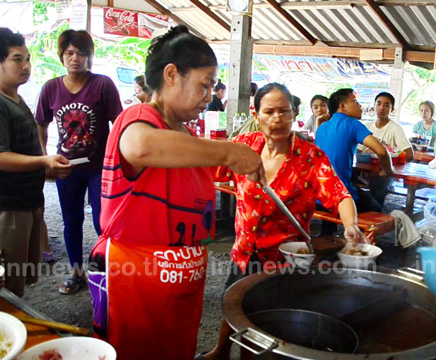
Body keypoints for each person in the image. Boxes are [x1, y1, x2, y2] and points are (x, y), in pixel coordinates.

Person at [87, 25, 264, 360]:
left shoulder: (182, 134)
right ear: (171, 74)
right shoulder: (138, 118)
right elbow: (139, 146)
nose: (210, 95)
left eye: (212, 86)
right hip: (134, 283)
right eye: (204, 84)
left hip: (179, 287)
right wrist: (227, 151)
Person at [198, 83, 365, 360]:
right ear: (256, 114)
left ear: (294, 114)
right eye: (270, 111)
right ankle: (221, 351)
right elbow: (207, 168)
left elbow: (340, 194)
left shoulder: (309, 157)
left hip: (284, 259)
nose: (277, 118)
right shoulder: (243, 148)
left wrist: (350, 224)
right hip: (245, 249)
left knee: (263, 324)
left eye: (284, 112)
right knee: (233, 301)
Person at [35, 29, 123, 295]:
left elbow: (118, 124)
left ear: (90, 56)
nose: (75, 58)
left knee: (102, 222)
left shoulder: (103, 84)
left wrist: (116, 160)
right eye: (69, 53)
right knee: (71, 221)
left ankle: (103, 271)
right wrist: (46, 158)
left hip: (99, 168)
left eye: (81, 53)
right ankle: (76, 273)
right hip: (66, 169)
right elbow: (41, 123)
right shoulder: (51, 88)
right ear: (62, 56)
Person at [0, 28, 72, 297]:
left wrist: (45, 167)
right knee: (7, 285)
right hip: (8, 208)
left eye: (28, 59)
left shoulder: (15, 99)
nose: (26, 66)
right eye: (17, 59)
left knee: (19, 280)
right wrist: (44, 159)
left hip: (29, 202)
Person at [315, 88, 394, 216]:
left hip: (317, 197)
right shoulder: (353, 124)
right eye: (355, 102)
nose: (360, 105)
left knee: (346, 187)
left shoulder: (322, 127)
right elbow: (382, 152)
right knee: (375, 206)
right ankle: (361, 235)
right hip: (339, 199)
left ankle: (327, 232)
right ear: (342, 106)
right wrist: (387, 171)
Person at [357, 92, 413, 207]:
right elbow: (358, 151)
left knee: (379, 188)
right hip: (365, 171)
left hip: (384, 172)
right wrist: (366, 152)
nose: (382, 108)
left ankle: (375, 216)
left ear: (392, 109)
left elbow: (409, 154)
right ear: (374, 106)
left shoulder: (395, 128)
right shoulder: (367, 127)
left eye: (386, 105)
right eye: (379, 104)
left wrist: (391, 154)